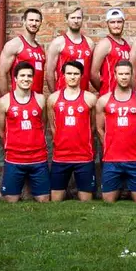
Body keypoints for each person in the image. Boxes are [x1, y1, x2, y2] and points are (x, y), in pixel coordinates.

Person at [95, 61, 136, 203]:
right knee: (108, 200)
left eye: (127, 73)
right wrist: (108, 145)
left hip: (135, 159)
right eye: (121, 74)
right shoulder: (103, 100)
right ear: (114, 75)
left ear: (132, 75)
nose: (124, 77)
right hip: (111, 160)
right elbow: (99, 128)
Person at [0, 61, 50, 203]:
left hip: (38, 158)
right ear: (15, 79)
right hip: (14, 158)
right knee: (11, 200)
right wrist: (11, 147)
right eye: (22, 76)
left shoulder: (40, 99)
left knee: (44, 199)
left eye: (29, 76)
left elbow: (43, 124)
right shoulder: (3, 102)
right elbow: (1, 131)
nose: (26, 79)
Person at [47, 61, 98, 202]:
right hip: (61, 156)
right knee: (55, 199)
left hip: (84, 155)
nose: (72, 77)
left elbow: (93, 126)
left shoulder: (90, 98)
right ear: (63, 75)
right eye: (69, 73)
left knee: (86, 200)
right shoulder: (53, 98)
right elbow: (52, 125)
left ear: (81, 76)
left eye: (76, 73)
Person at [0, 8, 46, 95]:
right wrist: (7, 99)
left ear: (40, 23)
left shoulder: (40, 49)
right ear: (24, 21)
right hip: (19, 100)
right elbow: (1, 73)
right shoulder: (14, 44)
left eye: (37, 21)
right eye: (31, 20)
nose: (34, 23)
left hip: (37, 100)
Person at [45, 6, 94, 93]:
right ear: (66, 19)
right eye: (72, 18)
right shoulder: (58, 42)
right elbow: (49, 73)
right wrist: (55, 95)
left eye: (79, 18)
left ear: (82, 19)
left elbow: (91, 72)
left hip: (84, 95)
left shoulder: (89, 43)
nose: (76, 21)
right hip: (63, 95)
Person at [91, 8, 132, 96]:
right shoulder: (104, 44)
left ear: (123, 23)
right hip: (109, 95)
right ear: (107, 24)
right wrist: (105, 89)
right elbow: (93, 74)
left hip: (125, 95)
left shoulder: (127, 45)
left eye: (119, 22)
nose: (116, 25)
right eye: (112, 22)